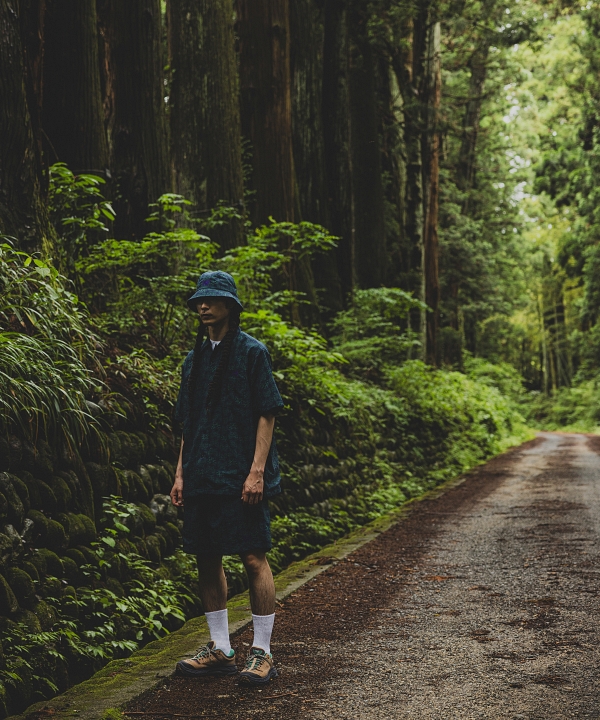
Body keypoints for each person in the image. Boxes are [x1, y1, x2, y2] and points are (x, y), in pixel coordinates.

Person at [170, 270, 283, 685]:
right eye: (199, 300)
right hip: (200, 473)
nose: (203, 305)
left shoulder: (252, 353)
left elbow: (267, 412)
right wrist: (180, 473)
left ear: (229, 306)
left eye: (212, 299)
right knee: (206, 555)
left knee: (253, 557)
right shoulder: (192, 360)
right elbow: (188, 422)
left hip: (241, 476)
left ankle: (262, 651)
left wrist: (256, 472)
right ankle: (220, 647)